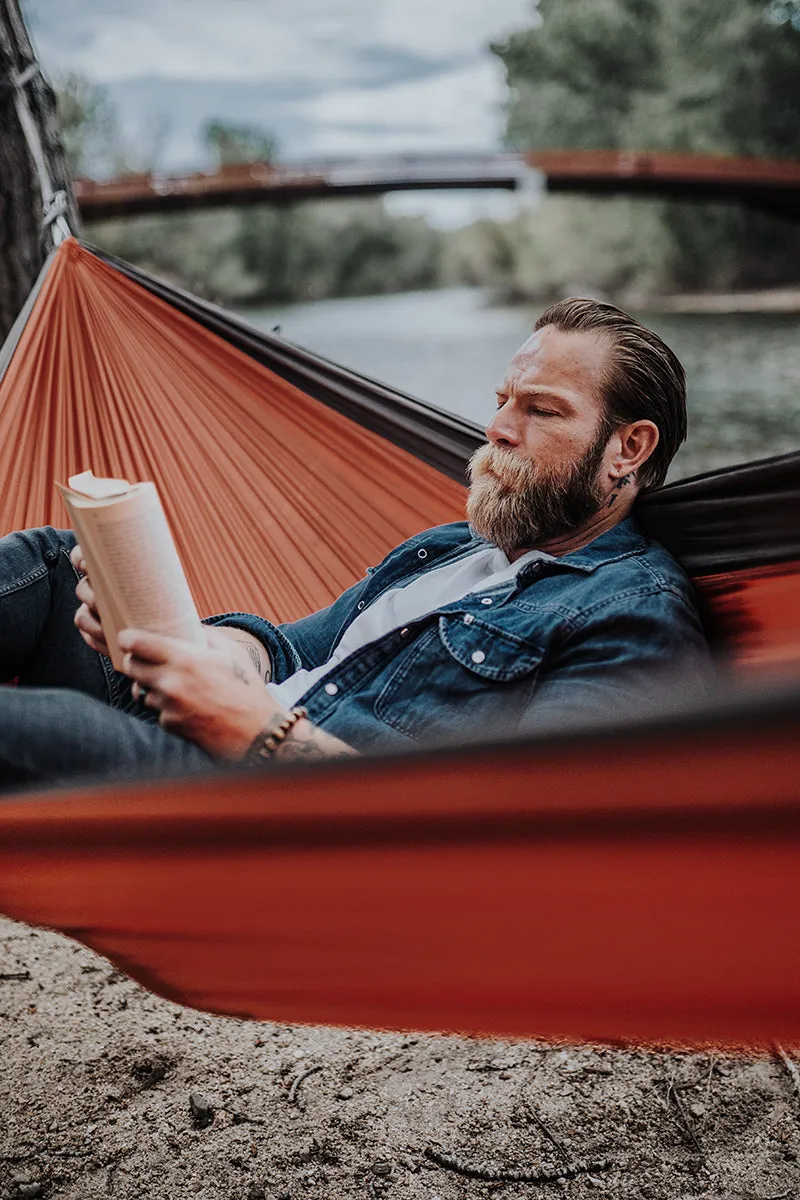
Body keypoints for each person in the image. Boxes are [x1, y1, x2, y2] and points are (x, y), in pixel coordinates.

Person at [0, 298, 711, 788]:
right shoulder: (449, 549)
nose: (497, 427)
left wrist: (259, 732)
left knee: (30, 726)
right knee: (52, 562)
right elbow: (291, 652)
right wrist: (173, 638)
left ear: (628, 448)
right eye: (502, 400)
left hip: (255, 803)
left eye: (541, 410)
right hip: (203, 720)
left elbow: (528, 832)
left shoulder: (629, 614)